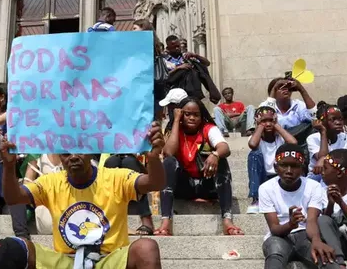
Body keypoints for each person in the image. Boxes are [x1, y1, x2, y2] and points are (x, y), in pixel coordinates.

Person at [0, 121, 166, 269]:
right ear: (59, 156)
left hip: (109, 260)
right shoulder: (51, 182)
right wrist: (8, 166)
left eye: (79, 149)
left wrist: (153, 158)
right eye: (66, 152)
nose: (73, 157)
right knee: (9, 248)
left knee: (146, 248)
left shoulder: (115, 177)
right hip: (66, 261)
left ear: (91, 151)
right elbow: (14, 198)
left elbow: (155, 183)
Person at [155, 97, 243, 236]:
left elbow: (224, 148)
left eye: (196, 114)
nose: (191, 118)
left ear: (202, 116)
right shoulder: (175, 130)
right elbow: (168, 152)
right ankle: (166, 221)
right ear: (181, 114)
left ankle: (227, 219)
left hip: (206, 185)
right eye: (187, 114)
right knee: (169, 162)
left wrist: (215, 154)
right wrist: (176, 120)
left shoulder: (208, 129)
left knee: (221, 160)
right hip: (184, 186)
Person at [259, 144, 337, 269]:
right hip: (279, 238)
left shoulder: (313, 187)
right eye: (284, 165)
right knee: (275, 254)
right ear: (275, 167)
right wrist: (291, 224)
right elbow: (274, 229)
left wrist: (316, 241)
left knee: (325, 259)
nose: (289, 171)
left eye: (295, 166)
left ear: (302, 169)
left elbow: (312, 220)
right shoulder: (266, 188)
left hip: (306, 236)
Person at [247, 106, 297, 214]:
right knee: (254, 154)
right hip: (263, 178)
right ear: (258, 121)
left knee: (291, 153)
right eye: (264, 121)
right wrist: (260, 126)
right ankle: (256, 199)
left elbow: (294, 144)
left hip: (280, 176)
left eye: (271, 120)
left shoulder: (280, 137)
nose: (268, 124)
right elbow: (252, 144)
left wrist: (277, 126)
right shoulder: (256, 138)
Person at [104, 154, 155, 235]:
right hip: (113, 156)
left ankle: (146, 218)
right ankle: (112, 220)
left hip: (139, 159)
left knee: (129, 162)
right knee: (111, 162)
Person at [306, 103, 347, 182]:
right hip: (317, 177)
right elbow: (323, 160)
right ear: (322, 121)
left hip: (340, 175)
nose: (338, 122)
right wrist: (323, 132)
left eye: (341, 119)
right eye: (333, 119)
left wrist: (323, 159)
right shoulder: (313, 138)